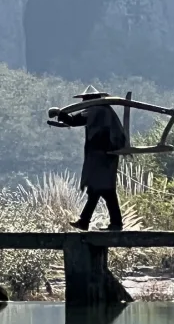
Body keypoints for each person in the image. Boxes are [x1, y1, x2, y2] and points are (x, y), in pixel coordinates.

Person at [53, 86, 127, 231]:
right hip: (106, 156)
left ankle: (97, 222)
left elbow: (74, 120)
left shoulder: (96, 110)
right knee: (101, 190)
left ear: (89, 99)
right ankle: (92, 221)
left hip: (101, 157)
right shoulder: (106, 111)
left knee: (101, 190)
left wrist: (59, 113)